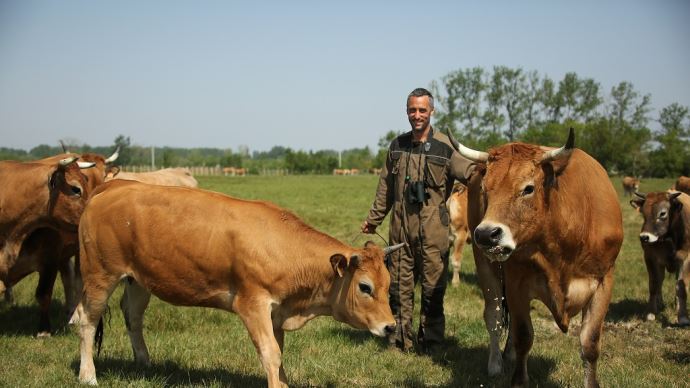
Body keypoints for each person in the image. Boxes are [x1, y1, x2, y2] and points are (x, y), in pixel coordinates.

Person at [361, 88, 474, 353]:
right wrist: (373, 220)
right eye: (413, 110)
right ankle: (399, 342)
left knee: (434, 291)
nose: (417, 115)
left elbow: (471, 173)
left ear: (432, 111)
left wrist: (489, 173)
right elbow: (385, 189)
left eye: (423, 110)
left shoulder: (446, 147)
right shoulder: (397, 146)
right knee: (398, 291)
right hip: (400, 235)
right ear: (407, 112)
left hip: (434, 234)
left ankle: (431, 343)